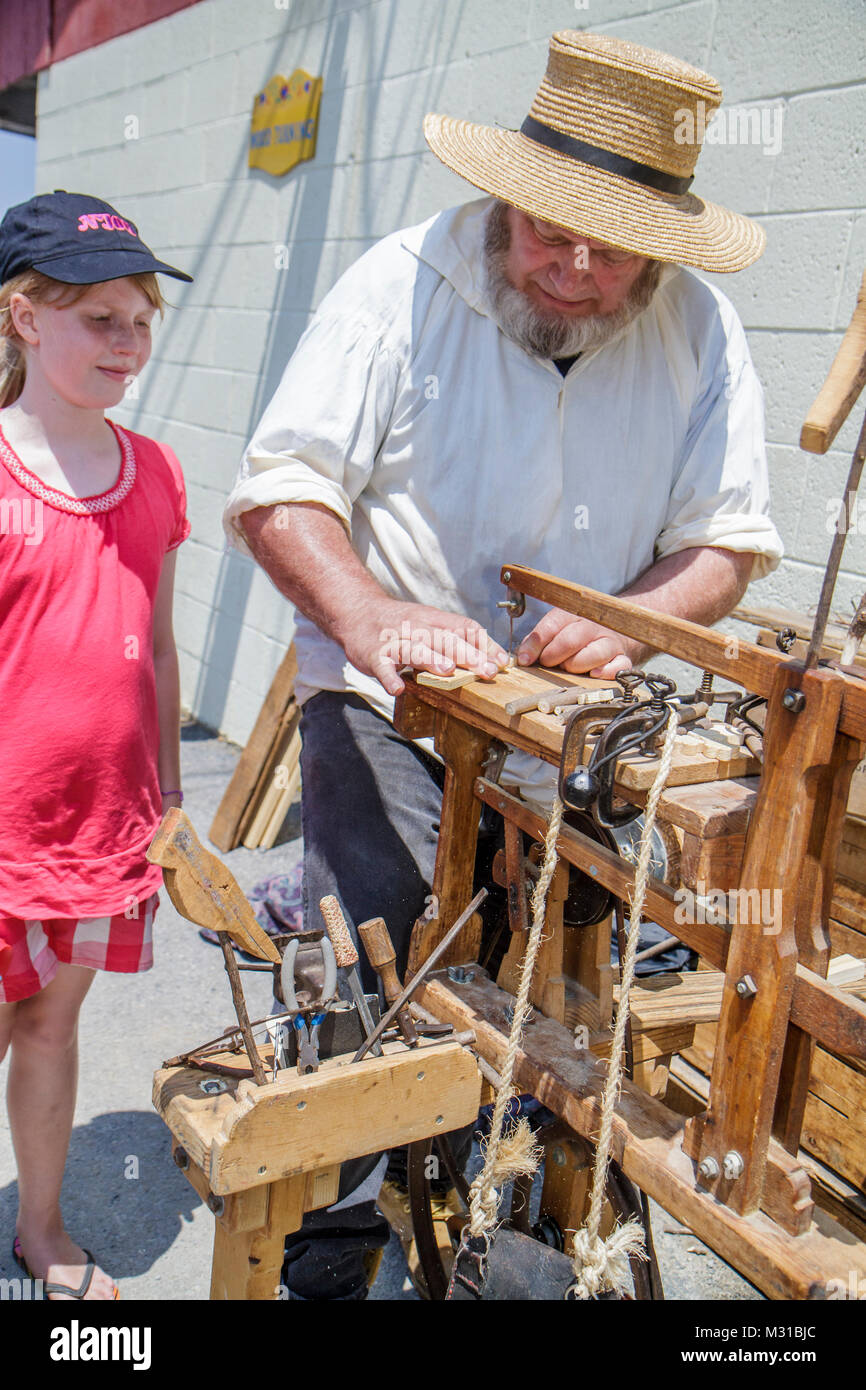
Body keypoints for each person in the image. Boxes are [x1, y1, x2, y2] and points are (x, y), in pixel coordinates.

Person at [223, 32, 784, 1298]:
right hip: (388, 703)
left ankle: (521, 1219)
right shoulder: (396, 284)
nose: (576, 270)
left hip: (581, 728)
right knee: (386, 948)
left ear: (664, 238)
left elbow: (726, 543)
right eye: (549, 235)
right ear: (509, 198)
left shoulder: (698, 325)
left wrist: (634, 617)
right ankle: (340, 1221)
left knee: (568, 971)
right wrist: (374, 619)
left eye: (611, 247)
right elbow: (282, 492)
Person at [0, 192, 193, 1299]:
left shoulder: (156, 471)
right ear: (25, 317)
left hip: (101, 825)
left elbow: (158, 648)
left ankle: (39, 1222)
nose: (128, 344)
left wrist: (167, 796)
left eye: (140, 320)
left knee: (52, 1020)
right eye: (100, 321)